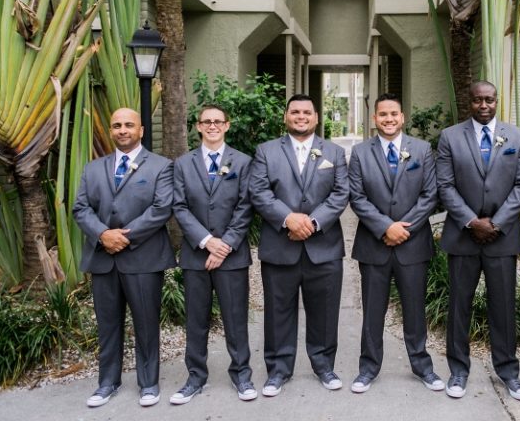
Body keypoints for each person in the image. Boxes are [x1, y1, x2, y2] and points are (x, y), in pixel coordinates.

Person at [436, 81, 520, 400]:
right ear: (469, 101)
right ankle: (458, 372)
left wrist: (497, 222)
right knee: (459, 306)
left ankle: (508, 372)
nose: (483, 105)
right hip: (463, 237)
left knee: (503, 307)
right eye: (477, 100)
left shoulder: (517, 137)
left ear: (497, 100)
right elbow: (446, 185)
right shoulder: (451, 137)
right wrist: (470, 221)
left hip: (501, 238)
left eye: (489, 100)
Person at [73, 108, 175, 408]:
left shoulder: (160, 166)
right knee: (107, 324)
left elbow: (161, 208)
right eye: (116, 125)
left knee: (146, 323)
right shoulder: (93, 169)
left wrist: (124, 237)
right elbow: (81, 208)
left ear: (141, 130)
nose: (122, 130)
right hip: (103, 259)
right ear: (110, 130)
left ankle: (148, 383)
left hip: (143, 258)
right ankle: (107, 382)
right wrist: (103, 234)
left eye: (129, 125)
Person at [249, 94, 349, 397]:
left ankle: (324, 366)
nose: (301, 116)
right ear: (285, 117)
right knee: (278, 311)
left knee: (325, 310)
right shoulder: (266, 151)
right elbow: (259, 191)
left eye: (307, 112)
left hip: (324, 247)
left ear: (317, 117)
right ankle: (278, 370)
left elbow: (341, 193)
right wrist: (289, 219)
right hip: (280, 245)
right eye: (295, 111)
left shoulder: (334, 152)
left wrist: (313, 223)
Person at [348, 93, 443, 393]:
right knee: (372, 311)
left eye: (394, 114)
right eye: (383, 114)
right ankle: (368, 368)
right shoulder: (360, 153)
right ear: (374, 119)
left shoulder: (422, 150)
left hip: (412, 244)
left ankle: (422, 366)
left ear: (402, 117)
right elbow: (357, 197)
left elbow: (430, 195)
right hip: (374, 244)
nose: (389, 119)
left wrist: (405, 228)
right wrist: (385, 227)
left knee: (414, 309)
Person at [169, 104, 256, 404]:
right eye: (207, 121)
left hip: (232, 256)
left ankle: (242, 375)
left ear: (227, 126)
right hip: (196, 254)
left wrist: (226, 244)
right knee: (196, 319)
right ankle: (195, 377)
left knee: (235, 318)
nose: (213, 126)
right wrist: (207, 241)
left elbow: (246, 206)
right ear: (198, 126)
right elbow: (179, 206)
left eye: (218, 121)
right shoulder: (182, 164)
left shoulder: (242, 162)